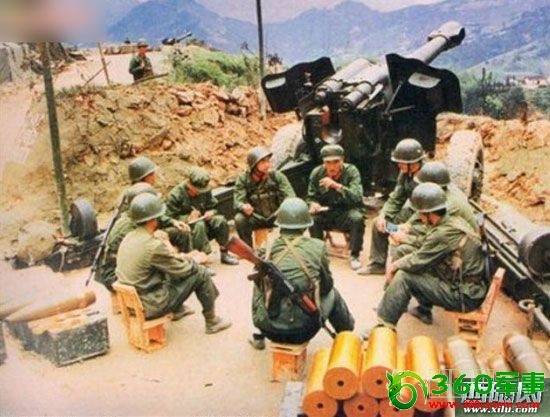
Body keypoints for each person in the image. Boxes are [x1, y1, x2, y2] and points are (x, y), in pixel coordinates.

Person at [375, 182, 487, 328]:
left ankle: (384, 326)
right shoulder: (450, 221)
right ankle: (395, 302)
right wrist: (404, 238)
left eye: (420, 213)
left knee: (404, 276)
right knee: (404, 252)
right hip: (464, 283)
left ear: (429, 213)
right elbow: (425, 243)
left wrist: (393, 266)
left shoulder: (443, 233)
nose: (419, 217)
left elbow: (419, 259)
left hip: (464, 295)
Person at [116, 193, 231, 332]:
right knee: (200, 272)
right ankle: (212, 321)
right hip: (150, 305)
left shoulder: (129, 237)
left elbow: (167, 261)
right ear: (153, 220)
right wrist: (196, 260)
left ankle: (178, 310)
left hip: (132, 303)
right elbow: (183, 270)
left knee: (168, 270)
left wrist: (184, 256)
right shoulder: (152, 246)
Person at [249, 197, 355, 349]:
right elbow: (326, 286)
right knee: (333, 292)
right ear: (306, 225)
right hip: (304, 330)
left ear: (280, 224)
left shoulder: (266, 248)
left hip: (270, 329)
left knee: (259, 284)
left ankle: (258, 335)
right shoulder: (318, 247)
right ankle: (347, 336)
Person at [357, 138, 425, 275]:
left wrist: (406, 225)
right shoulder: (405, 173)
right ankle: (378, 264)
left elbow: (426, 210)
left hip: (423, 218)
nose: (398, 165)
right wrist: (384, 214)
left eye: (401, 162)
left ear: (412, 163)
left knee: (402, 233)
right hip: (410, 212)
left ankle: (403, 268)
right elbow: (396, 197)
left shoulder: (428, 176)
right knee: (379, 224)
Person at [388, 161, 478, 260]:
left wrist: (405, 237)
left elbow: (432, 235)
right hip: (450, 239)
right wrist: (407, 226)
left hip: (459, 250)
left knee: (405, 249)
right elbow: (420, 216)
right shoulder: (440, 198)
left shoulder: (446, 205)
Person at [307, 144, 365, 270]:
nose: (332, 166)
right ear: (323, 163)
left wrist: (337, 186)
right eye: (328, 163)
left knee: (357, 219)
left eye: (336, 162)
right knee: (312, 219)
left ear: (342, 160)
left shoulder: (351, 171)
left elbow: (357, 196)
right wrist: (313, 204)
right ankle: (318, 252)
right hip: (326, 212)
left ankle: (354, 255)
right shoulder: (317, 173)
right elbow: (310, 197)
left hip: (346, 211)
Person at [166, 167, 239, 265]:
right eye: (197, 190)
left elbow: (213, 206)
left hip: (204, 220)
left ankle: (224, 253)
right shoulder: (175, 195)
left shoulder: (205, 191)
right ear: (189, 184)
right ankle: (201, 259)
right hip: (187, 229)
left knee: (220, 220)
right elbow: (169, 218)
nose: (199, 193)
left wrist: (211, 212)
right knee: (199, 225)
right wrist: (187, 218)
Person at [127, 156, 192, 254]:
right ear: (145, 177)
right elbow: (135, 224)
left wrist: (173, 222)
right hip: (142, 236)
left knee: (182, 232)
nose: (155, 176)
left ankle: (185, 260)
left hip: (150, 229)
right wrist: (154, 234)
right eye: (152, 174)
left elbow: (153, 215)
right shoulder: (136, 196)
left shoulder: (144, 190)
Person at [234, 146, 295, 247]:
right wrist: (243, 207)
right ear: (254, 165)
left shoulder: (276, 176)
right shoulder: (243, 179)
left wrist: (283, 207)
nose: (267, 164)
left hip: (277, 215)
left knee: (294, 211)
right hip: (256, 217)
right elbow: (237, 202)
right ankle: (248, 250)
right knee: (240, 219)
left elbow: (291, 196)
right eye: (262, 162)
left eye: (268, 161)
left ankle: (291, 245)